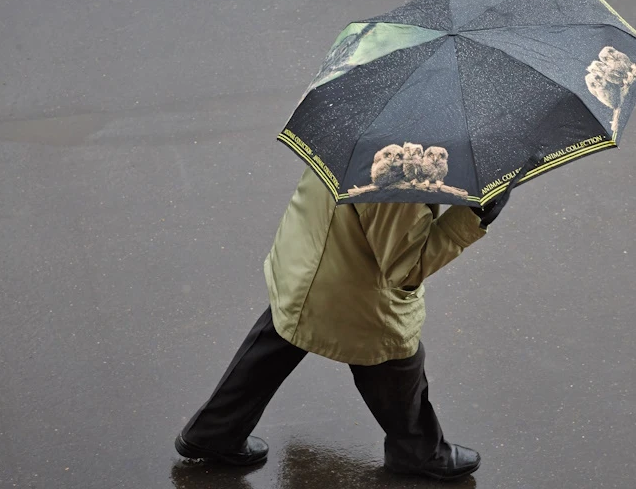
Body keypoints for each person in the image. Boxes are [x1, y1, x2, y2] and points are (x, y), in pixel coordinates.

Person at [174, 168, 512, 480]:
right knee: (395, 357)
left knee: (281, 335)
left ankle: (215, 432)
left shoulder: (358, 126)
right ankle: (418, 451)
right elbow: (406, 265)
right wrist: (473, 216)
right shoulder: (395, 171)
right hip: (352, 285)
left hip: (309, 257)